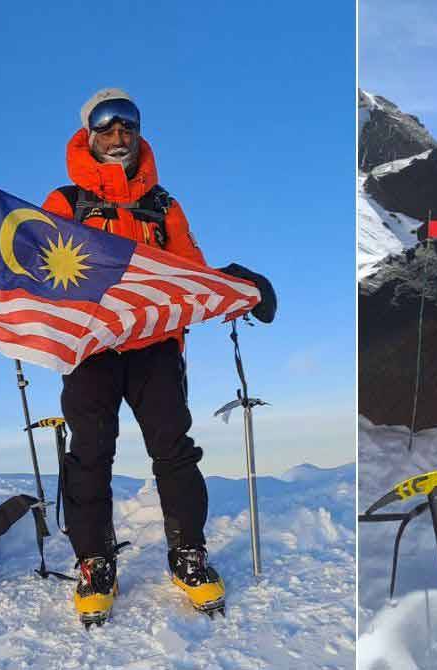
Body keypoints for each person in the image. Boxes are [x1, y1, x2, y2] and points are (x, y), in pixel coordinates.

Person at [38, 88, 275, 625]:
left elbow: (189, 269)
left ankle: (187, 554)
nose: (118, 136)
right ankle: (94, 562)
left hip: (156, 347)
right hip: (91, 349)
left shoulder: (163, 205)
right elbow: (35, 264)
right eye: (106, 126)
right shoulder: (64, 203)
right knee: (90, 454)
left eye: (128, 126)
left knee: (173, 450)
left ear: (139, 132)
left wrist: (233, 283)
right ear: (89, 135)